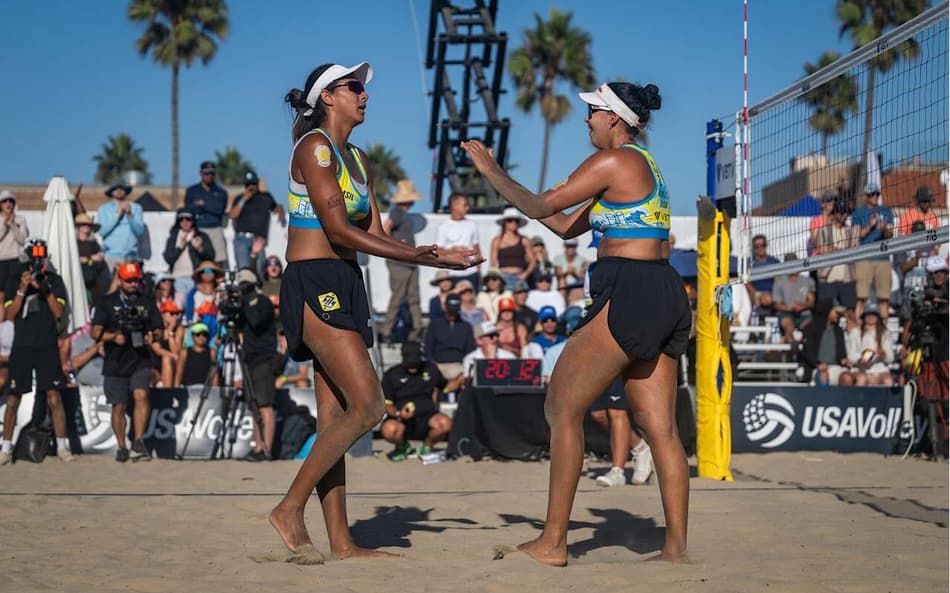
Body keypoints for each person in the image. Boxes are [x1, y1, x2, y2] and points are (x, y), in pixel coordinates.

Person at [463, 80, 690, 565]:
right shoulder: (643, 165)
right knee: (661, 429)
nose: (585, 119)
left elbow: (545, 205)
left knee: (561, 408)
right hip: (664, 289)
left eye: (591, 111)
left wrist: (492, 172)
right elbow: (564, 225)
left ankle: (553, 543)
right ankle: (674, 550)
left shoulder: (612, 161)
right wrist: (522, 198)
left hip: (629, 287)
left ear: (614, 117)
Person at [270, 61, 479, 560]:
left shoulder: (357, 159)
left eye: (363, 87)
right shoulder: (314, 147)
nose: (364, 94)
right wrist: (419, 255)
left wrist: (434, 255)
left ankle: (342, 542)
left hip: (347, 281)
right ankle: (288, 507)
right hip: (314, 280)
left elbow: (379, 237)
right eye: (353, 87)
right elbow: (340, 231)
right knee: (367, 407)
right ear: (328, 97)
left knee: (336, 420)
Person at [0, 240, 73, 465]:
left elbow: (59, 313)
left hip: (47, 345)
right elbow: (9, 315)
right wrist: (22, 290)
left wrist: (46, 290)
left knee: (54, 396)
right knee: (13, 399)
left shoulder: (55, 281)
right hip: (21, 346)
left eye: (40, 258)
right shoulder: (15, 280)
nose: (37, 263)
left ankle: (62, 446)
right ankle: (6, 448)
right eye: (33, 258)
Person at [91, 262, 163, 462]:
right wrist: (113, 337)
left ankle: (138, 441)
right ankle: (122, 445)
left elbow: (159, 329)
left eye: (135, 280)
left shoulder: (147, 302)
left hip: (140, 358)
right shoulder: (107, 302)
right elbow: (94, 332)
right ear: (120, 280)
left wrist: (152, 336)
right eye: (129, 280)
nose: (132, 284)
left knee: (141, 395)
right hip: (115, 359)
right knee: (119, 406)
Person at [379, 341, 452, 461]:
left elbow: (446, 386)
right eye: (409, 363)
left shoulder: (431, 369)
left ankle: (426, 447)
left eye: (415, 362)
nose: (412, 366)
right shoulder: (392, 375)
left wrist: (460, 380)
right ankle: (402, 446)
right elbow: (387, 404)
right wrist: (399, 414)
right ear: (403, 357)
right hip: (401, 419)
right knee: (389, 430)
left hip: (428, 416)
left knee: (445, 423)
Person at [379, 179, 424, 342]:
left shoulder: (401, 212)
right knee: (398, 297)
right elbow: (386, 227)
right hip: (399, 262)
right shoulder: (397, 211)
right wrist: (394, 246)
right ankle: (387, 330)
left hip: (410, 261)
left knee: (413, 296)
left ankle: (417, 328)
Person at [589, 377, 654, 487]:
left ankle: (617, 471)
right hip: (596, 365)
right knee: (598, 414)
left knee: (616, 411)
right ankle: (641, 448)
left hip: (620, 364)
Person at [851, 183, 894, 319]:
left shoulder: (886, 211)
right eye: (871, 194)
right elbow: (857, 235)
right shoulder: (859, 212)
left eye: (877, 194)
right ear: (866, 196)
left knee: (884, 297)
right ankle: (858, 329)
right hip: (865, 258)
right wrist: (871, 226)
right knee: (861, 297)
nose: (875, 197)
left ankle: (883, 330)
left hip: (882, 258)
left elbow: (890, 235)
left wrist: (884, 229)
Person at [229, 170, 286, 271]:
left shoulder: (266, 197)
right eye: (248, 184)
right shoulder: (239, 198)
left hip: (259, 240)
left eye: (253, 184)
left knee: (260, 271)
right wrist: (244, 199)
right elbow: (233, 215)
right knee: (244, 271)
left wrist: (280, 209)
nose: (251, 187)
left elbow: (276, 208)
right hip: (242, 239)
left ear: (257, 184)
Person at [185, 161, 230, 268]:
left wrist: (202, 204)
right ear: (200, 174)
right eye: (206, 173)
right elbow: (189, 209)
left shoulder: (221, 192)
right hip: (198, 229)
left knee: (218, 260)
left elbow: (219, 209)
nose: (209, 176)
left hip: (215, 228)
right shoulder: (192, 191)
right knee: (198, 259)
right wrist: (209, 205)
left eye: (212, 173)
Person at [163, 209, 215, 297]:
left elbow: (211, 256)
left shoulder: (201, 236)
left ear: (193, 221)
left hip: (195, 278)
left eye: (188, 219)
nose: (184, 222)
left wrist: (200, 249)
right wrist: (179, 248)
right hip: (177, 277)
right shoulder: (173, 237)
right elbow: (168, 258)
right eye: (181, 219)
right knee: (180, 306)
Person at [435, 191, 482, 289]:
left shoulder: (472, 225)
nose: (467, 208)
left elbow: (476, 248)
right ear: (455, 206)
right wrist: (454, 250)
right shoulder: (444, 227)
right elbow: (439, 251)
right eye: (465, 205)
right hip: (452, 273)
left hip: (471, 272)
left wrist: (479, 269)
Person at [425, 293, 476, 382]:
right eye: (450, 311)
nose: (452, 314)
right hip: (438, 364)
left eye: (454, 312)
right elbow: (428, 346)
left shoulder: (466, 327)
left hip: (459, 365)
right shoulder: (435, 324)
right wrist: (433, 363)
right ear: (445, 307)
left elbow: (470, 350)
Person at [96, 182, 145, 274]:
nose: (119, 190)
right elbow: (101, 232)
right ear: (111, 192)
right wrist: (117, 217)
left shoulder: (136, 208)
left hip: (131, 256)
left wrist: (130, 215)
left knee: (131, 285)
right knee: (111, 286)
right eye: (115, 188)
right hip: (110, 256)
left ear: (126, 192)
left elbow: (139, 231)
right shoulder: (103, 209)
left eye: (122, 188)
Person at [800, 305, 854, 386]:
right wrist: (817, 364)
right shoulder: (812, 328)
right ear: (827, 312)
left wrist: (844, 360)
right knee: (823, 375)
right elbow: (807, 351)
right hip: (816, 367)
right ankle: (824, 398)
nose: (838, 315)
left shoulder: (838, 331)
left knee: (847, 378)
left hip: (835, 367)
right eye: (836, 313)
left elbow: (841, 353)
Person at [847, 305, 895, 386]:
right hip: (860, 369)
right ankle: (858, 398)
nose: (871, 317)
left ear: (878, 317)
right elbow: (851, 355)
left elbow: (890, 358)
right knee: (862, 379)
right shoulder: (855, 332)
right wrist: (860, 360)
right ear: (864, 316)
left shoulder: (886, 334)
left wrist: (882, 354)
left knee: (888, 380)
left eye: (874, 314)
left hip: (880, 370)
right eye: (868, 314)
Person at [491, 207, 536, 288]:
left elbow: (533, 262)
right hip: (503, 277)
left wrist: (525, 274)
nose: (513, 223)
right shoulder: (497, 241)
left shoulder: (524, 240)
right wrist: (496, 279)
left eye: (516, 220)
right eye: (510, 220)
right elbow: (493, 263)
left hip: (519, 277)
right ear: (505, 223)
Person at [75, 212, 109, 309]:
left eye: (89, 225)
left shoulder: (94, 244)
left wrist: (88, 260)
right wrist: (90, 259)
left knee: (89, 303)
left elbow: (99, 260)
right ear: (78, 227)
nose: (87, 227)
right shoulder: (74, 243)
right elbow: (76, 260)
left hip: (91, 280)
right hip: (78, 278)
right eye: (84, 225)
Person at [0, 190, 29, 302]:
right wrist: (4, 225)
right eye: (4, 201)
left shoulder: (20, 220)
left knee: (15, 292)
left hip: (16, 260)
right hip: (1, 261)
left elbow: (22, 240)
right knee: (1, 295)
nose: (8, 203)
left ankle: (13, 318)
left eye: (10, 201)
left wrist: (12, 225)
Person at [174, 322, 217, 387]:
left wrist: (215, 392)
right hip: (187, 388)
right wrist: (176, 390)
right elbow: (179, 373)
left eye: (204, 334)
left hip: (205, 389)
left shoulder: (212, 352)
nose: (201, 337)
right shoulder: (184, 352)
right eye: (198, 334)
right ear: (192, 335)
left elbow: (214, 374)